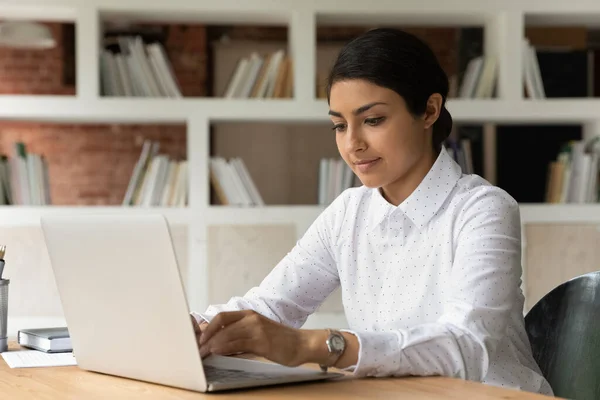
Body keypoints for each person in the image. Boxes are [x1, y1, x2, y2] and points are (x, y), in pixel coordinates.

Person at [191, 28, 553, 396]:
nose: (353, 145)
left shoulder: (482, 209)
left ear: (429, 110)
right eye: (339, 125)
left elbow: (467, 345)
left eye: (373, 120)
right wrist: (198, 327)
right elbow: (270, 306)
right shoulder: (348, 213)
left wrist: (313, 346)